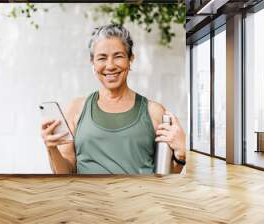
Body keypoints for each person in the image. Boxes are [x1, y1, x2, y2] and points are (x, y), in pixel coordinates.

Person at [41, 24, 186, 174]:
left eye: (118, 56)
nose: (110, 66)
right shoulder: (76, 109)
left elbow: (165, 177)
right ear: (93, 64)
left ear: (130, 59)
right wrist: (51, 148)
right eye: (102, 58)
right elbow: (65, 174)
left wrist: (181, 154)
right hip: (87, 197)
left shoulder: (154, 112)